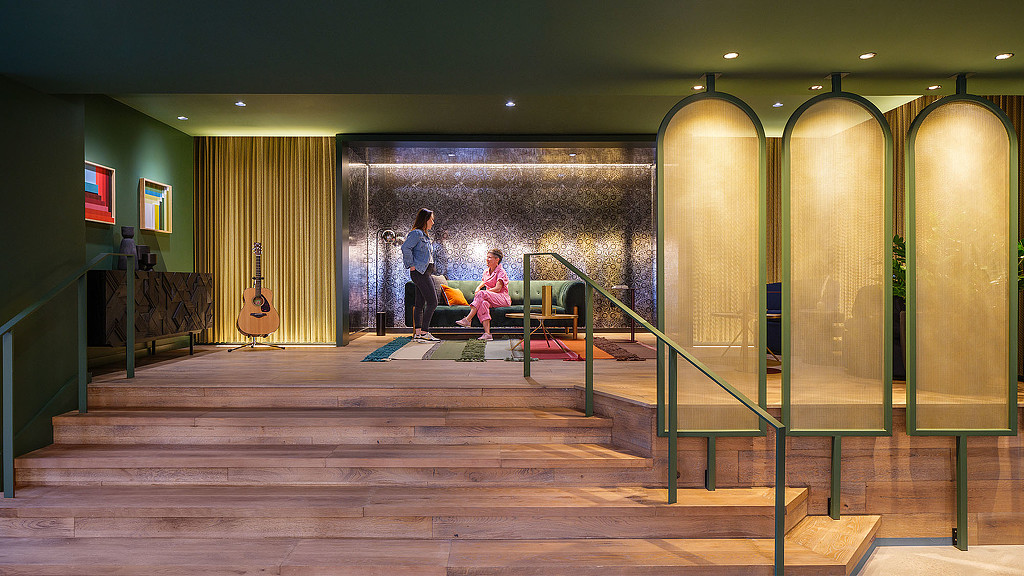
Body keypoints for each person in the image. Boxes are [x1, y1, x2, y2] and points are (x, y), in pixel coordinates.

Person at [401, 208, 440, 342]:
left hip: (425, 272)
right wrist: (411, 265)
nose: (433, 222)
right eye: (431, 219)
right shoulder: (416, 233)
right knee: (433, 302)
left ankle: (418, 334)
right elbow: (405, 247)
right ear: (425, 219)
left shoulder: (424, 235)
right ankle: (424, 332)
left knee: (419, 303)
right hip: (420, 272)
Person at [456, 248, 510, 340]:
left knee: (481, 294)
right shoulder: (486, 271)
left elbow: (497, 288)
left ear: (497, 259)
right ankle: (487, 334)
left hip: (502, 298)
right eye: (487, 257)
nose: (487, 259)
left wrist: (483, 292)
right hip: (491, 298)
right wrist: (479, 287)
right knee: (483, 304)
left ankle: (468, 319)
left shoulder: (501, 272)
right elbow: (484, 282)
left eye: (490, 257)